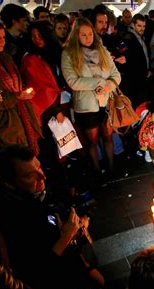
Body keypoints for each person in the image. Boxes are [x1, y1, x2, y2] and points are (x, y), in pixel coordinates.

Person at [0, 145, 105, 289]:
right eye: (29, 176)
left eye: (39, 167)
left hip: (73, 266)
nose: (42, 176)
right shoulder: (12, 219)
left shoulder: (35, 191)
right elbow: (39, 275)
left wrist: (74, 226)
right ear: (8, 183)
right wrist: (66, 236)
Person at [61, 17, 121, 179]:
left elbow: (115, 74)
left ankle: (111, 169)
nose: (88, 38)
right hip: (86, 106)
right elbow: (73, 81)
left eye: (90, 34)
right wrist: (97, 83)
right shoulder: (69, 54)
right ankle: (96, 172)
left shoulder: (101, 50)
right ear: (76, 35)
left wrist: (108, 85)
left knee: (108, 137)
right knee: (92, 142)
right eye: (83, 35)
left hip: (105, 103)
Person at [0, 18, 42, 155]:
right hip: (4, 128)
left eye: (3, 37)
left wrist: (23, 91)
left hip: (22, 118)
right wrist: (16, 96)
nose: (2, 41)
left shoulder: (5, 57)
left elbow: (15, 83)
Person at [120, 14, 152, 108]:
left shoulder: (141, 38)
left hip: (142, 80)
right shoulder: (127, 38)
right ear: (133, 25)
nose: (142, 29)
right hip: (133, 82)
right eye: (139, 26)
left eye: (144, 26)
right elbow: (126, 60)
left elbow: (143, 57)